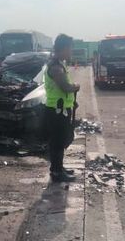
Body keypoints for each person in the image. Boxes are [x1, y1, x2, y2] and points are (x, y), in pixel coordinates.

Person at [44, 34, 80, 182]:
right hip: (57, 111)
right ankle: (57, 172)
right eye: (70, 48)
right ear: (64, 48)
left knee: (62, 139)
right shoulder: (55, 67)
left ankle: (58, 167)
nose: (71, 51)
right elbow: (65, 87)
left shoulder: (59, 64)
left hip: (61, 109)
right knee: (58, 141)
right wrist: (76, 87)